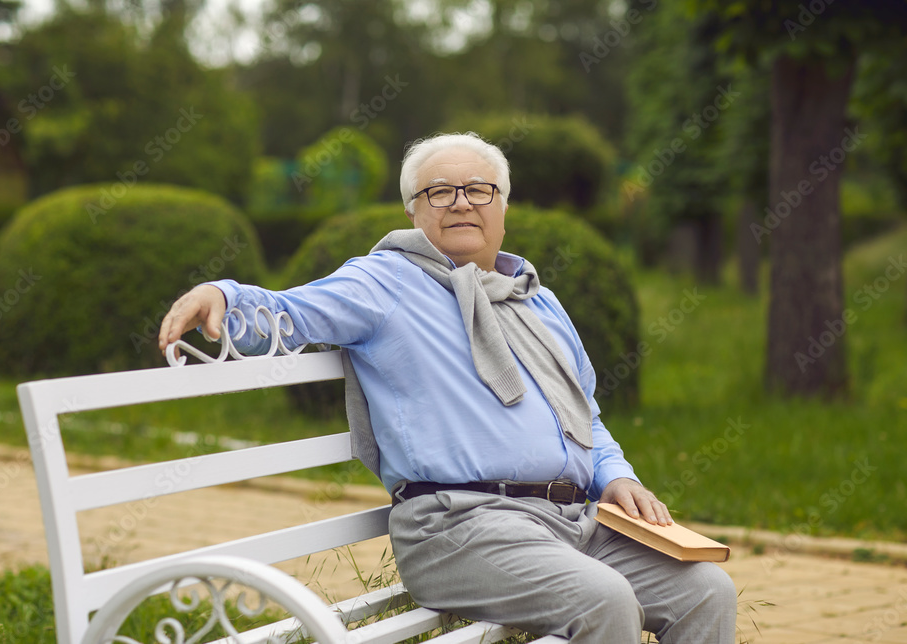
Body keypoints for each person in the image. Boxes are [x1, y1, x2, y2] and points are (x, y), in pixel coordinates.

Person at [158, 132, 737, 642]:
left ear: (502, 207)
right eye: (439, 191)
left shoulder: (537, 300)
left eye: (479, 189)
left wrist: (617, 476)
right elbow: (292, 313)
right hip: (458, 529)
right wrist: (228, 298)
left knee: (707, 589)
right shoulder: (383, 282)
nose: (461, 202)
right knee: (604, 600)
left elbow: (584, 412)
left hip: (572, 524)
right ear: (414, 210)